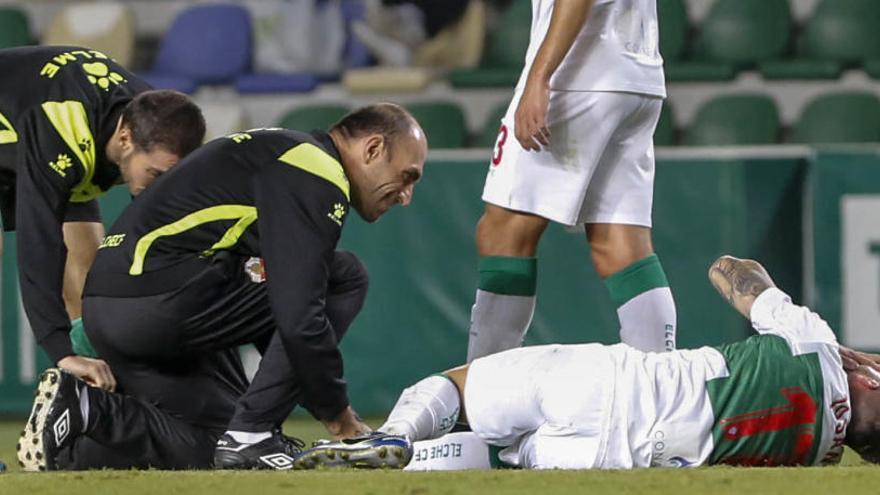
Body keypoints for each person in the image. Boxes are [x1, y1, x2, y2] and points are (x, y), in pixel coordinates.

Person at [17, 103, 427, 471]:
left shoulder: (282, 151)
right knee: (344, 276)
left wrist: (292, 394)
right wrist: (340, 419)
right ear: (372, 149)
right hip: (155, 301)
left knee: (216, 448)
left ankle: (83, 418)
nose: (406, 195)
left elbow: (279, 320)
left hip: (119, 305)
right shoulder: (316, 170)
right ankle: (254, 432)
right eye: (406, 176)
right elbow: (299, 318)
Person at [299, 256, 880, 470]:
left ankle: (395, 436)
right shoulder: (816, 460)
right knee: (498, 460)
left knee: (461, 386)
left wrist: (820, 340)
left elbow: (731, 269)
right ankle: (411, 465)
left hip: (611, 385)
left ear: (870, 374)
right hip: (614, 463)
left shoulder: (817, 345)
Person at [467, 0, 675, 362]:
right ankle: (664, 390)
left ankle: (480, 395)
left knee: (504, 230)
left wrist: (539, 77)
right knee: (622, 246)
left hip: (580, 75)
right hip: (638, 77)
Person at [0, 45, 206, 389]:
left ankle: (103, 403)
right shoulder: (62, 125)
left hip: (42, 135)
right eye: (155, 175)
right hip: (26, 122)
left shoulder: (159, 119)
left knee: (90, 288)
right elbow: (40, 243)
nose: (161, 188)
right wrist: (60, 351)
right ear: (125, 139)